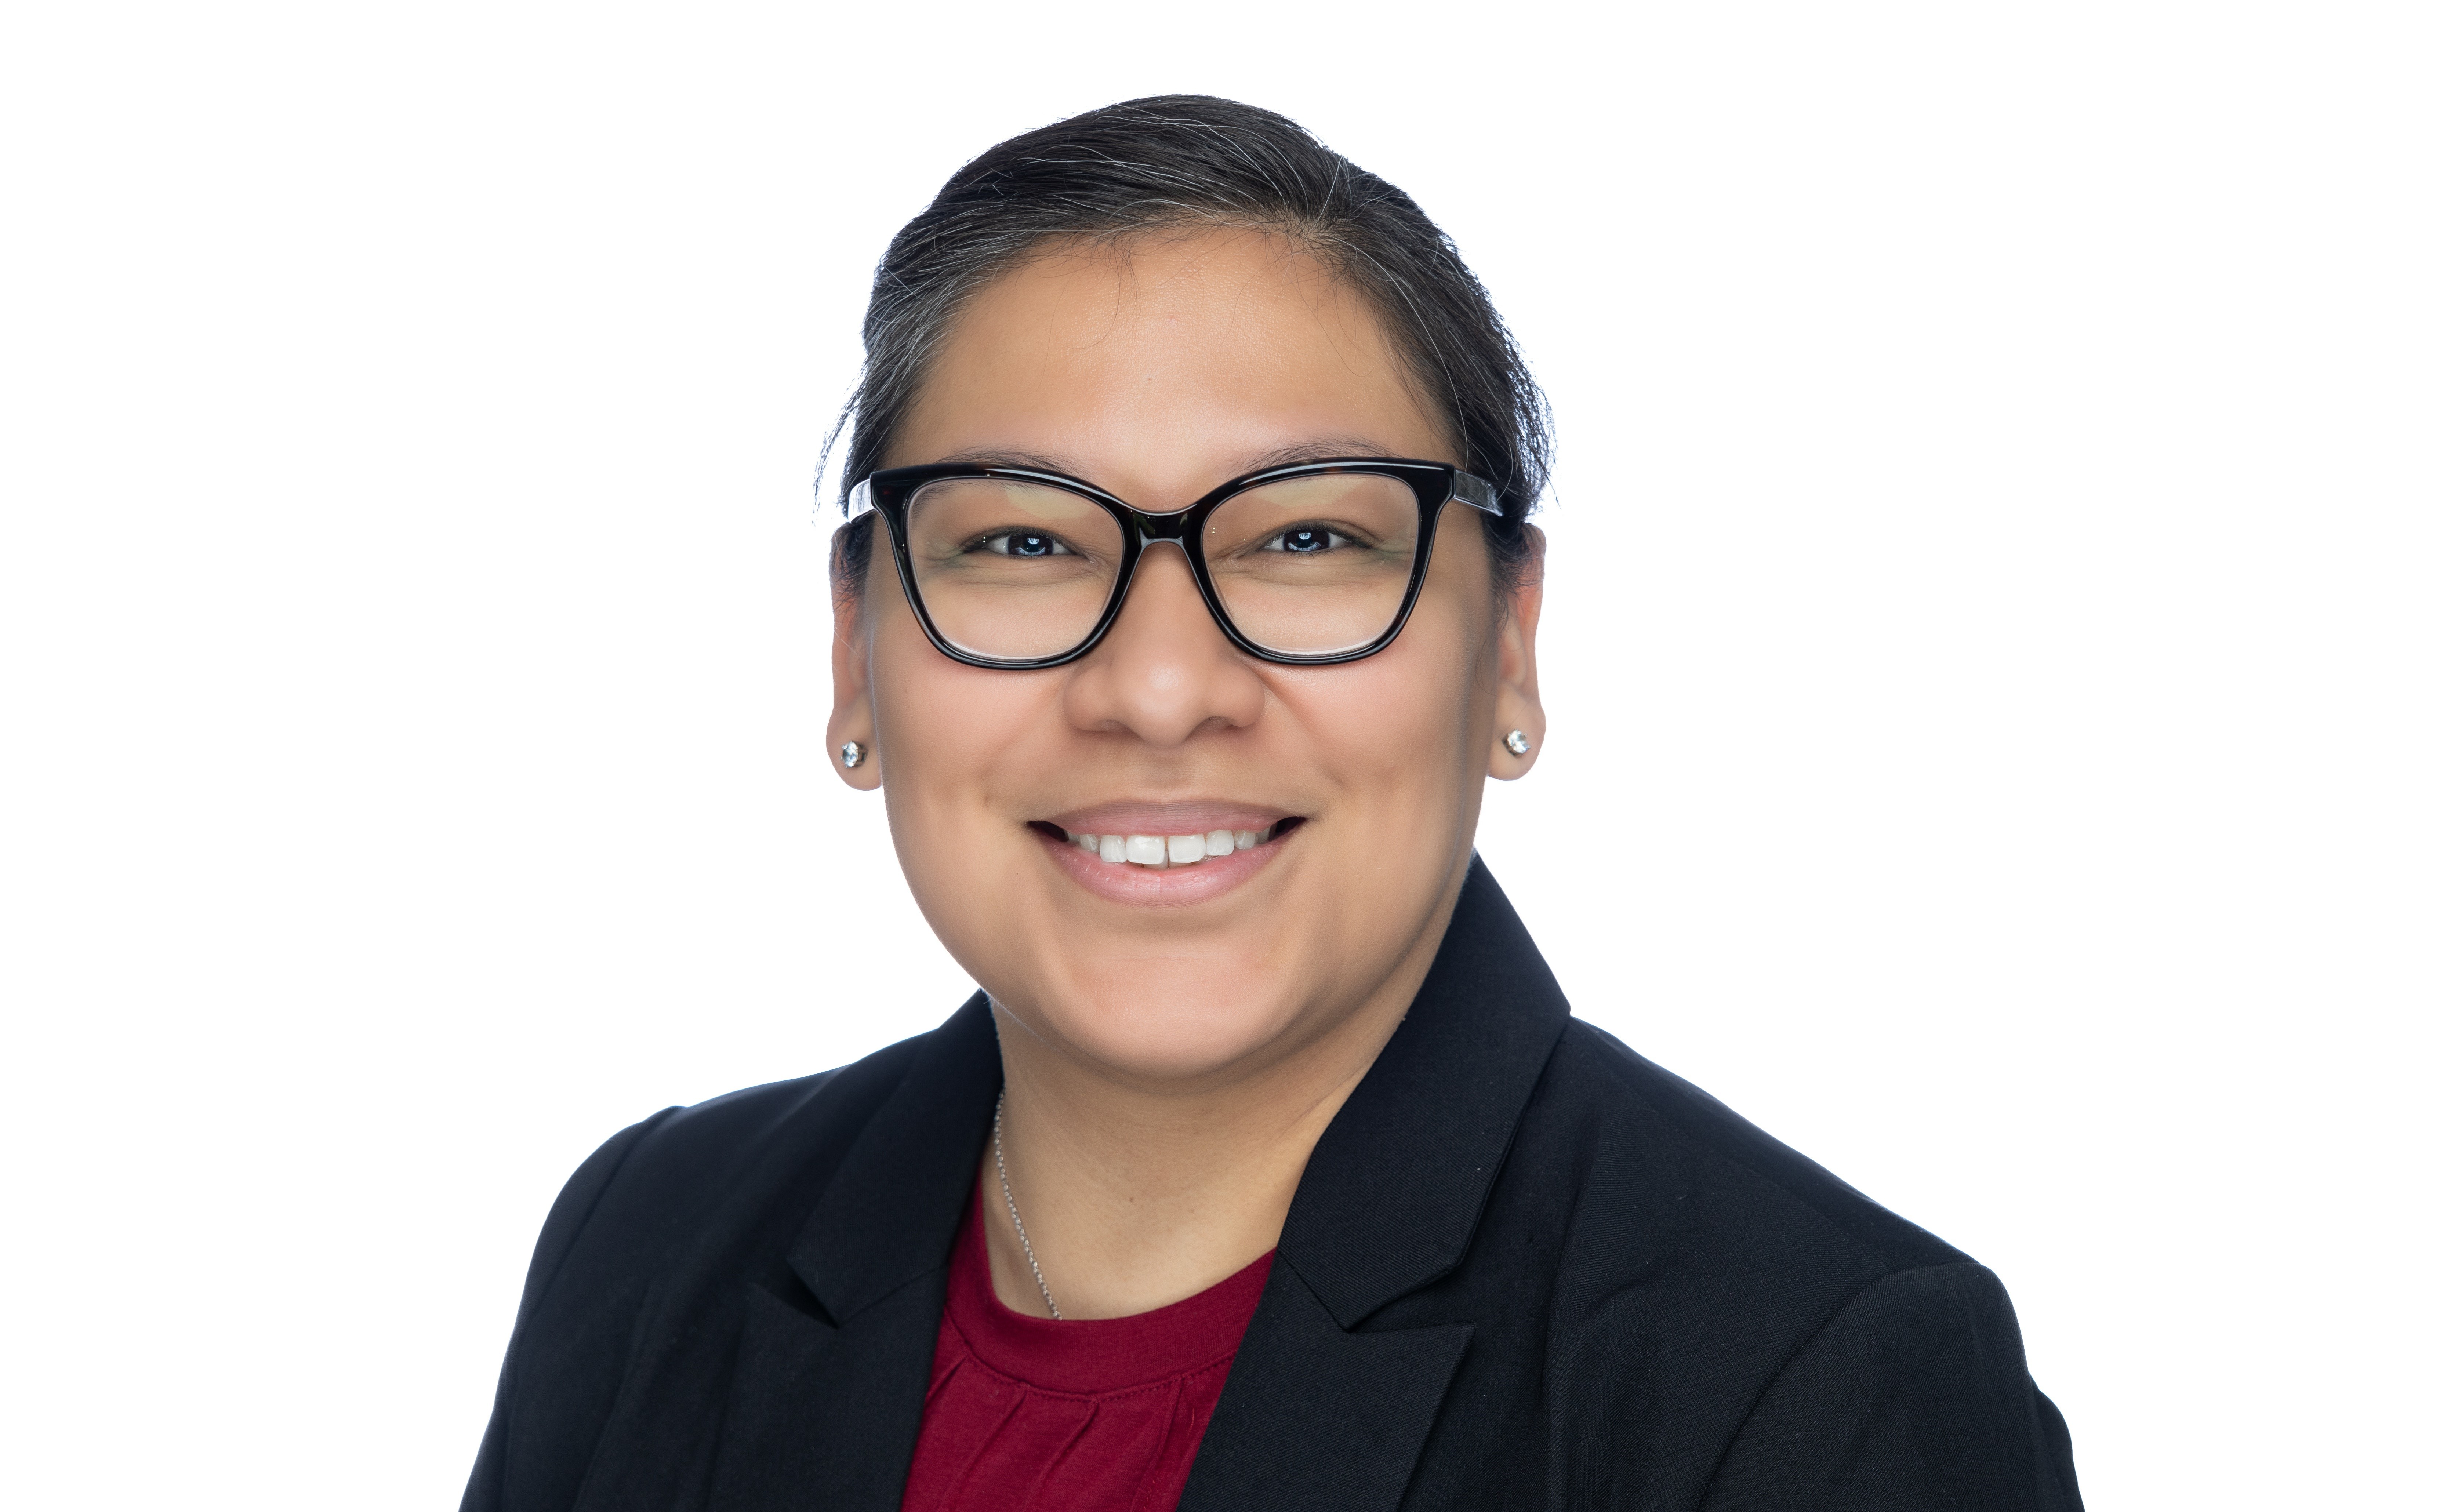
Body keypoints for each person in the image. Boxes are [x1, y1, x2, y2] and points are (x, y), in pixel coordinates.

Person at [461, 95, 2084, 1512]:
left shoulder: (1813, 1372)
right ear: (854, 652)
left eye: (1308, 541)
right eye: (1020, 542)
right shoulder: (652, 1245)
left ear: (1506, 650)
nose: (1159, 688)